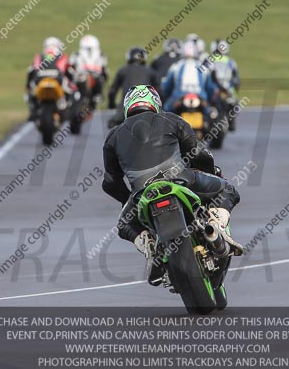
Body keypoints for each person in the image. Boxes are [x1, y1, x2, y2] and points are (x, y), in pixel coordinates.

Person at [101, 86, 240, 284]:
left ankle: (149, 244)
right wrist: (210, 172)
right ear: (155, 103)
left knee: (124, 224)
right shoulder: (171, 119)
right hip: (181, 179)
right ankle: (215, 226)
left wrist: (130, 198)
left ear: (127, 107)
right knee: (228, 189)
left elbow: (110, 182)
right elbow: (198, 154)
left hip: (143, 192)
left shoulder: (113, 136)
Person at [107, 47, 160, 127]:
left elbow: (112, 91)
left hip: (126, 108)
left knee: (112, 125)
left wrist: (111, 104)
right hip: (149, 106)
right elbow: (160, 92)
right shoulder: (151, 71)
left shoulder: (122, 70)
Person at [25, 37, 75, 121]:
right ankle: (65, 108)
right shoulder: (62, 56)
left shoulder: (41, 55)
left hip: (41, 78)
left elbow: (31, 70)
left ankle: (34, 110)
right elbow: (69, 71)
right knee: (70, 91)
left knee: (31, 93)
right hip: (57, 78)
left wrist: (28, 86)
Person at [161, 41, 216, 115]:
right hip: (201, 98)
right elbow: (210, 88)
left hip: (178, 97)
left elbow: (166, 87)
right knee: (211, 115)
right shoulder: (203, 67)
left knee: (165, 110)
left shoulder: (176, 66)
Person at [207, 39, 241, 131]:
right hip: (227, 88)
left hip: (214, 88)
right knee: (235, 102)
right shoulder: (231, 61)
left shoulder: (209, 60)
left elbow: (205, 76)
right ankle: (231, 121)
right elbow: (236, 79)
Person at [69, 34, 109, 109]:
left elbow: (104, 72)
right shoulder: (76, 55)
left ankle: (98, 96)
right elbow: (70, 69)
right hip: (81, 79)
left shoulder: (101, 56)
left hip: (93, 80)